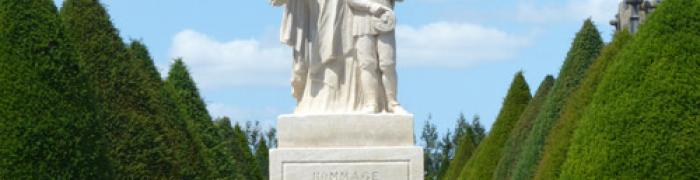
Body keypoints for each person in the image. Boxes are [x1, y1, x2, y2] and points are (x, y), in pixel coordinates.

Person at [348, 0, 408, 114]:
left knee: (388, 64)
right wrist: (370, 6)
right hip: (362, 19)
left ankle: (392, 103)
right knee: (367, 65)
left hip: (384, 18)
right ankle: (371, 103)